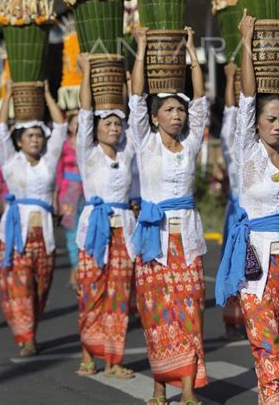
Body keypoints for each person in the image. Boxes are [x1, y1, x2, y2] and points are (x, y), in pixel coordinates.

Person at [216, 11, 279, 405]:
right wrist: (246, 41)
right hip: (254, 261)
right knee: (267, 344)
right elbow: (246, 98)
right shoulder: (247, 151)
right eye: (271, 119)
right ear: (256, 124)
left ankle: (272, 394)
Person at [129, 26, 209, 405]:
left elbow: (202, 99)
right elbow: (135, 96)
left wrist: (192, 51)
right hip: (153, 245)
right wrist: (142, 47)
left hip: (187, 245)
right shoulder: (144, 144)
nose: (177, 115)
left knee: (190, 313)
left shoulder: (190, 143)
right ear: (155, 116)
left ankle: (189, 389)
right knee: (157, 316)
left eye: (180, 109)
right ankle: (160, 386)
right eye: (170, 110)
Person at [76, 53, 137, 379]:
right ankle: (88, 355)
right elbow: (85, 113)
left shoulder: (128, 152)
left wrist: (126, 86)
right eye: (108, 123)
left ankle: (113, 360)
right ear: (97, 129)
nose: (114, 128)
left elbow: (134, 113)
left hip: (123, 232)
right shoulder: (88, 151)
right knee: (91, 293)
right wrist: (86, 73)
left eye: (117, 124)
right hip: (94, 231)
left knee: (118, 296)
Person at [0, 79, 66, 357]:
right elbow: (0, 129)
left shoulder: (49, 161)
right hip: (16, 236)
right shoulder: (10, 161)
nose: (36, 140)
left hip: (44, 236)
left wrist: (47, 95)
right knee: (19, 287)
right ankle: (25, 337)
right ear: (19, 141)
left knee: (40, 289)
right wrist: (9, 94)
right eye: (30, 136)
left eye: (39, 135)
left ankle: (31, 331)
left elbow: (60, 127)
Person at [220, 61, 244, 340]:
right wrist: (229, 79)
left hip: (259, 216)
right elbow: (230, 113)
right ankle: (231, 318)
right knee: (233, 266)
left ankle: (252, 317)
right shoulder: (230, 143)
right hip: (237, 212)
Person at [55, 112, 84, 291]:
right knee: (71, 233)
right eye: (75, 123)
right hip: (67, 193)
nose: (78, 126)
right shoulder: (63, 145)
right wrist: (55, 197)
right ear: (70, 126)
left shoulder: (90, 143)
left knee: (85, 231)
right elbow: (58, 172)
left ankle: (84, 268)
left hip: (87, 193)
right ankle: (75, 267)